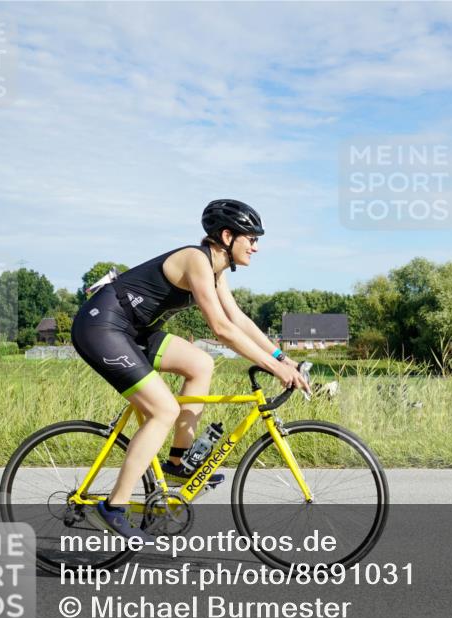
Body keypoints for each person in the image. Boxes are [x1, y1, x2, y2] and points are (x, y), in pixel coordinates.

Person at [70, 199, 311, 539]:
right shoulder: (196, 260)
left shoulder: (216, 270)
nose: (256, 247)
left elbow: (237, 318)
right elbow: (221, 329)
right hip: (102, 328)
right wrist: (272, 367)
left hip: (134, 332)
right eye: (251, 239)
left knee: (200, 363)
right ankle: (114, 506)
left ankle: (177, 464)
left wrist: (281, 357)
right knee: (163, 410)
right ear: (227, 236)